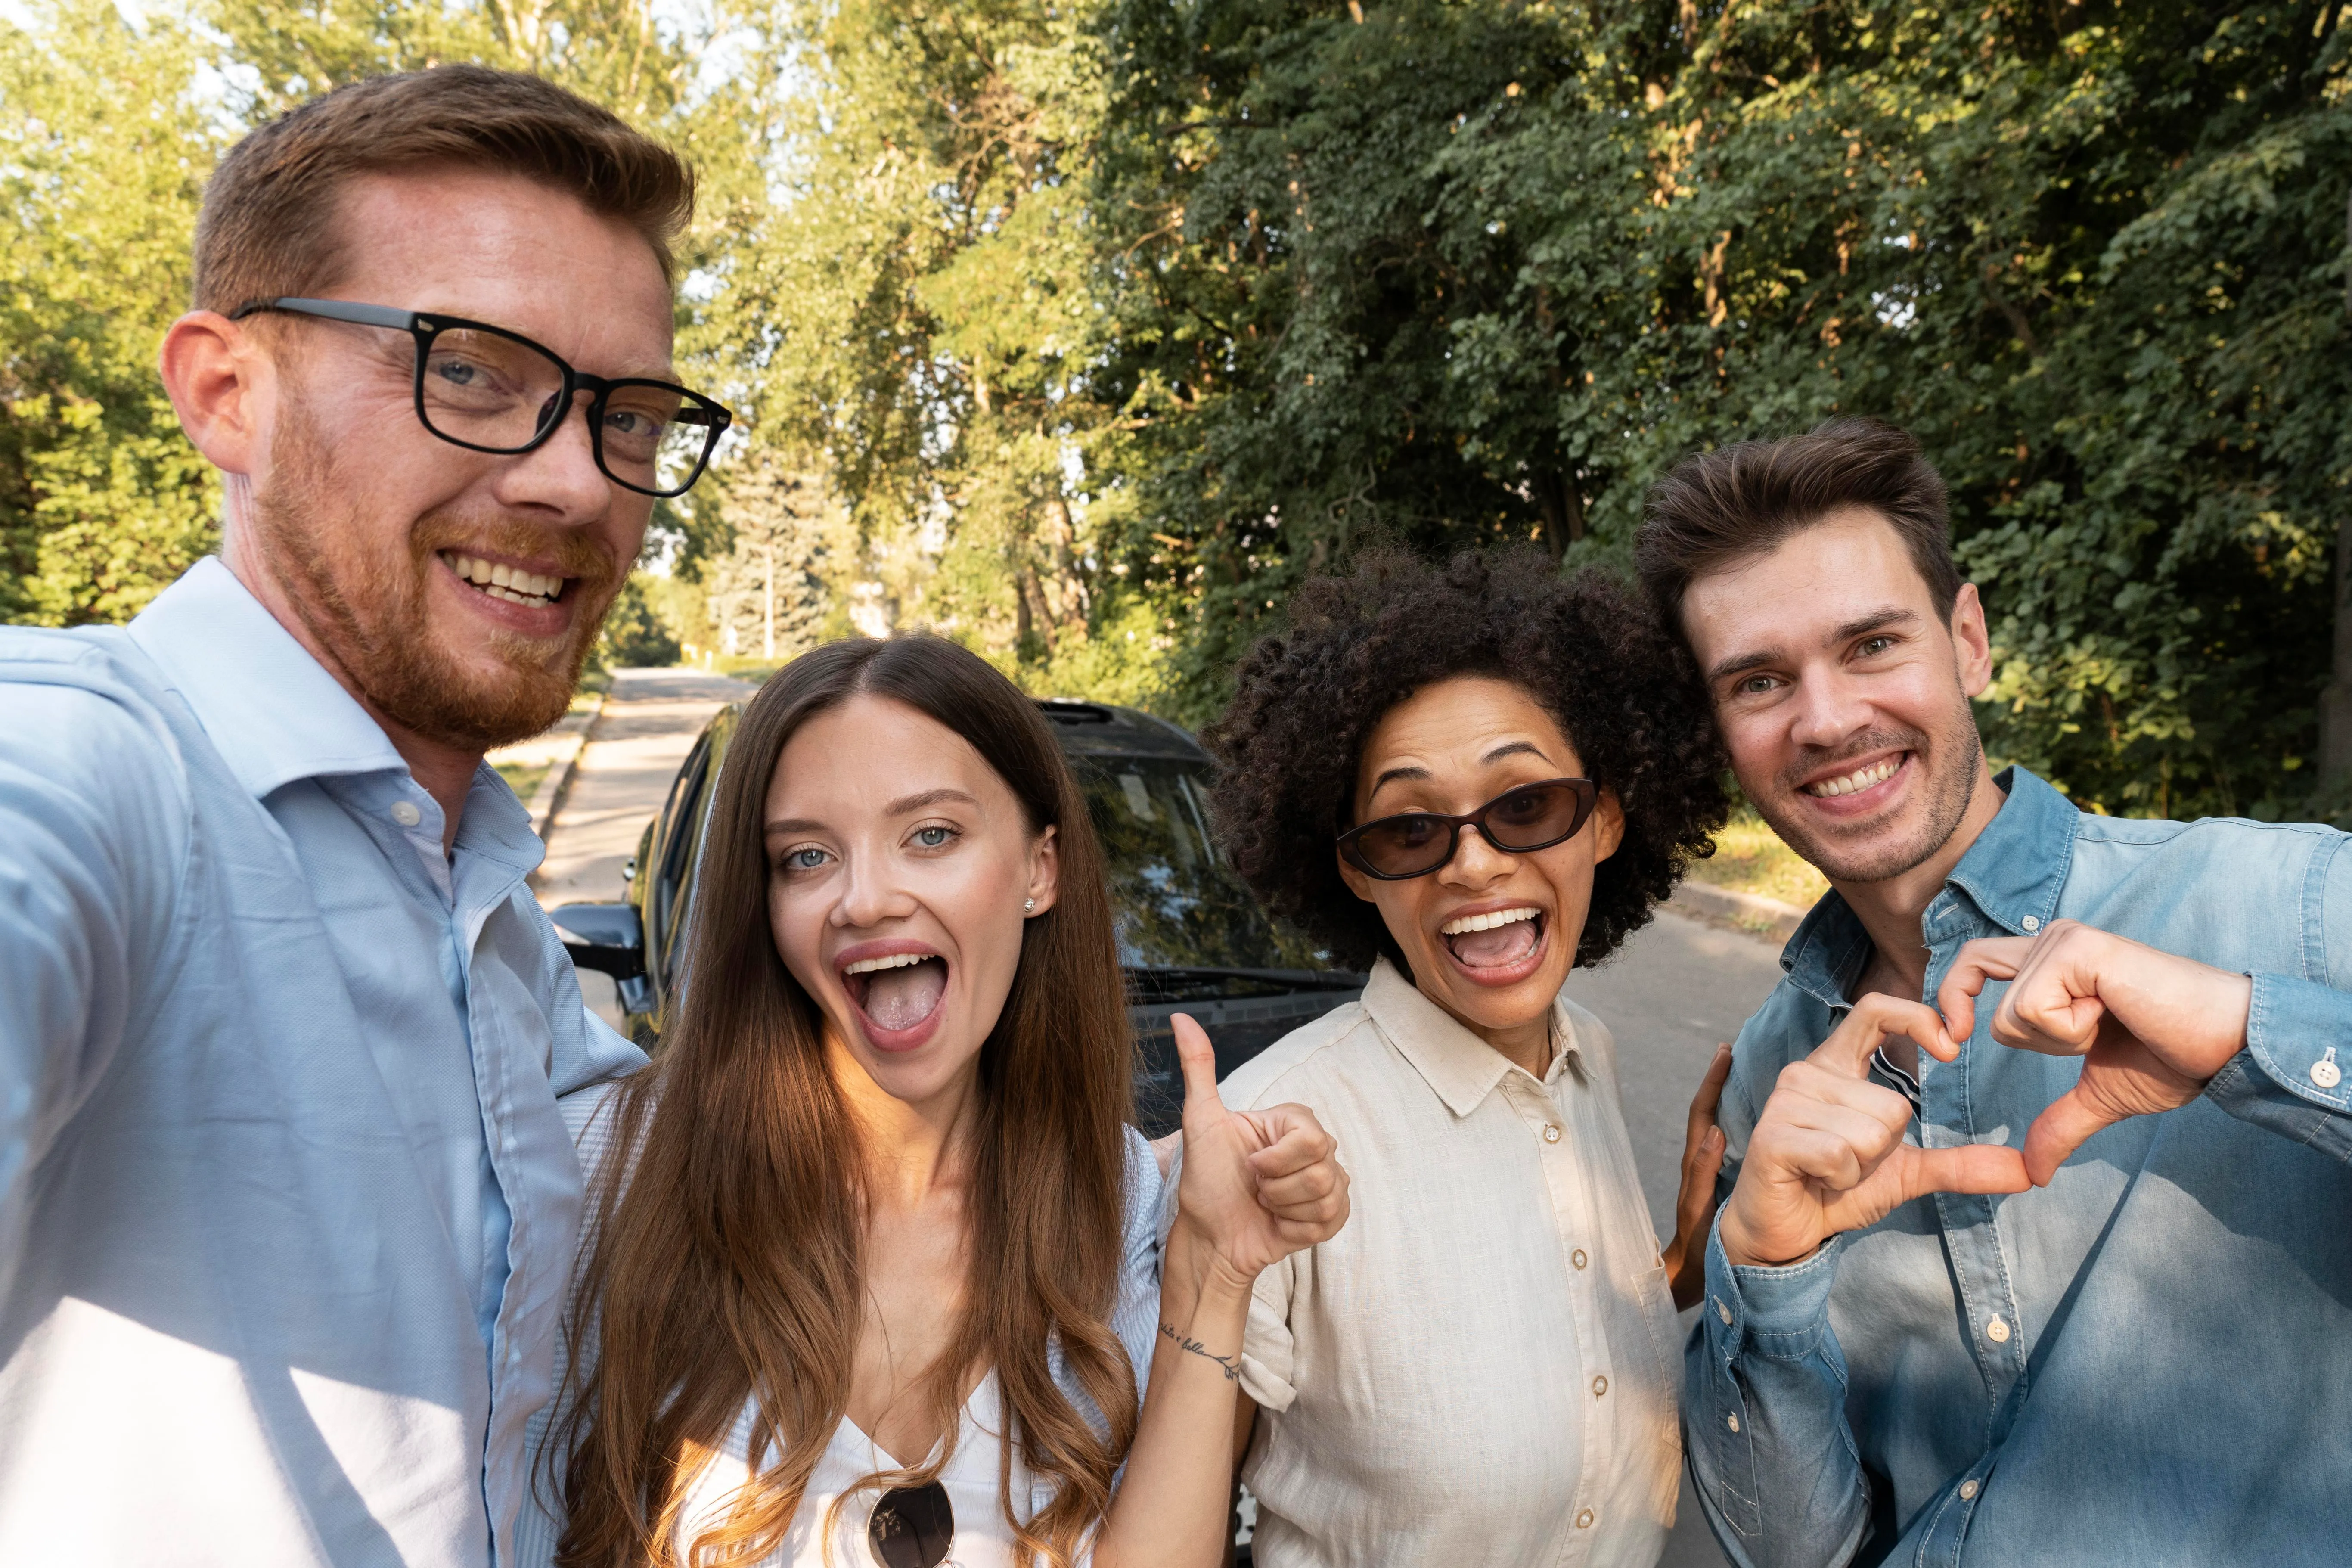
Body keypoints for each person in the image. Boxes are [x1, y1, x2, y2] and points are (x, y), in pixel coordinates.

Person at [0, 67, 720, 1562]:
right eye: (470, 372)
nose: (577, 483)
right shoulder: (92, 768)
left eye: (630, 415)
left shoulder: (504, 935)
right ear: (225, 394)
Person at [1637, 418, 2352, 1568]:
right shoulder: (1770, 1080)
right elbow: (1797, 1549)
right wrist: (1757, 1278)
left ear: (1966, 641)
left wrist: (2244, 1032)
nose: (1822, 720)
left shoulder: (2289, 902)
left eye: (1869, 645)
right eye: (1760, 681)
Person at [534, 634, 1351, 1568]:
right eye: (807, 856)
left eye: (931, 834)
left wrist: (1215, 1267)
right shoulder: (605, 1166)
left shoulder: (1120, 1197)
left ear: (1041, 868)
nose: (866, 898)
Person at [1193, 547, 1736, 1568]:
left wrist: (1678, 1273)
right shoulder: (1267, 1134)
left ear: (1607, 817)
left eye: (1525, 805)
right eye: (1409, 829)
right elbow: (1176, 1520)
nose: (1476, 860)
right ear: (1355, 870)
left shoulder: (1593, 1061)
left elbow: (1499, 1355)